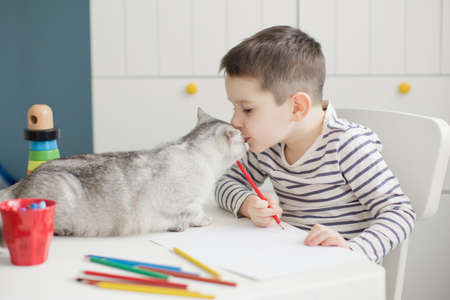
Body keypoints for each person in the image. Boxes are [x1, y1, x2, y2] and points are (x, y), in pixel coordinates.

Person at [214, 25, 416, 263]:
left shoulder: (347, 145)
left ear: (297, 107)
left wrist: (353, 250)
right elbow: (226, 183)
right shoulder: (269, 145)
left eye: (247, 109)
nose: (235, 121)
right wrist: (247, 204)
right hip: (295, 263)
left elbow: (400, 212)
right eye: (234, 108)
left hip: (343, 274)